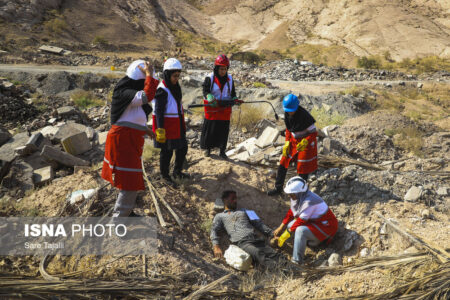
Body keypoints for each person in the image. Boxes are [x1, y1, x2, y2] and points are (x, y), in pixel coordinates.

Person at [102, 60, 158, 217]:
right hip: (122, 142)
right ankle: (119, 220)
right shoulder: (124, 92)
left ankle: (127, 211)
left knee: (127, 179)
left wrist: (145, 129)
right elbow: (147, 96)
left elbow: (131, 117)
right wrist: (149, 75)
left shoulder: (131, 94)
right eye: (143, 81)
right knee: (130, 181)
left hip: (129, 140)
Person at [272, 176, 338, 264]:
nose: (289, 196)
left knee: (300, 230)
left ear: (299, 192)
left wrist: (285, 235)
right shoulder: (298, 197)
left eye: (291, 194)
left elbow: (301, 221)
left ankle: (297, 261)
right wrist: (281, 227)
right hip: (315, 223)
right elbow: (291, 212)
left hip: (326, 228)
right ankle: (303, 243)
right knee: (290, 225)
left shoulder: (309, 202)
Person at [211, 190, 284, 268]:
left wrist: (272, 234)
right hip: (243, 242)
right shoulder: (219, 216)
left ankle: (294, 269)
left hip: (256, 239)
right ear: (225, 200)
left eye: (236, 198)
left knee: (275, 255)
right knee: (258, 253)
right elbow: (214, 230)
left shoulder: (246, 210)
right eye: (233, 198)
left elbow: (259, 224)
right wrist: (216, 246)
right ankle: (281, 271)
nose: (235, 200)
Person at [267, 94, 318, 196]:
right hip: (293, 142)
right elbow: (289, 130)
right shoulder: (287, 114)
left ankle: (300, 193)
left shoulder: (305, 117)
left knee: (302, 169)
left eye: (291, 110)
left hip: (306, 145)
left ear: (296, 107)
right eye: (288, 110)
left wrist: (305, 141)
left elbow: (313, 133)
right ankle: (278, 188)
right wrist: (287, 142)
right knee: (283, 163)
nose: (290, 112)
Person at [152, 58, 188, 186]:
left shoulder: (174, 87)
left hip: (176, 124)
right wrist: (160, 130)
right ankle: (165, 176)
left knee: (182, 148)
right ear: (167, 74)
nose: (176, 78)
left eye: (178, 76)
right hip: (166, 126)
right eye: (174, 76)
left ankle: (177, 172)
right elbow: (159, 111)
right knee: (166, 152)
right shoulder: (162, 90)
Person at [200, 54, 242, 159]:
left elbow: (232, 93)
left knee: (223, 130)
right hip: (212, 107)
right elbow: (205, 90)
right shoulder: (210, 78)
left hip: (225, 108)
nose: (223, 71)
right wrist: (209, 96)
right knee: (210, 128)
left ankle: (222, 151)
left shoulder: (230, 79)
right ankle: (208, 149)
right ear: (216, 68)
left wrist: (234, 99)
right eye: (221, 69)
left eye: (225, 69)